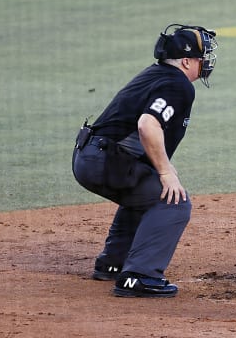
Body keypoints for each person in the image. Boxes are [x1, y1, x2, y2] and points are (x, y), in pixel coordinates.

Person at [72, 24, 218, 298]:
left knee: (146, 191)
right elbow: (148, 125)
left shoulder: (157, 75)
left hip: (89, 156)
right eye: (202, 57)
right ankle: (139, 276)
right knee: (173, 200)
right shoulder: (178, 84)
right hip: (104, 160)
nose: (206, 62)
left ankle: (113, 263)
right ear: (186, 61)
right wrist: (166, 172)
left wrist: (159, 170)